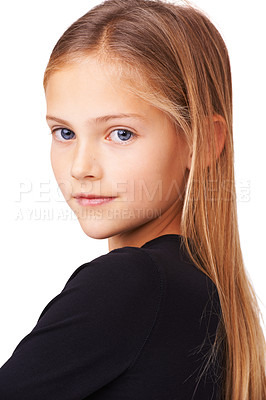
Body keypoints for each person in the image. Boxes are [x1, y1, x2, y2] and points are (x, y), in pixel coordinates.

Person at [0, 0, 265, 398]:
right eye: (64, 133)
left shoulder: (131, 284)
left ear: (204, 142)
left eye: (120, 133)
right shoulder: (206, 297)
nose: (80, 168)